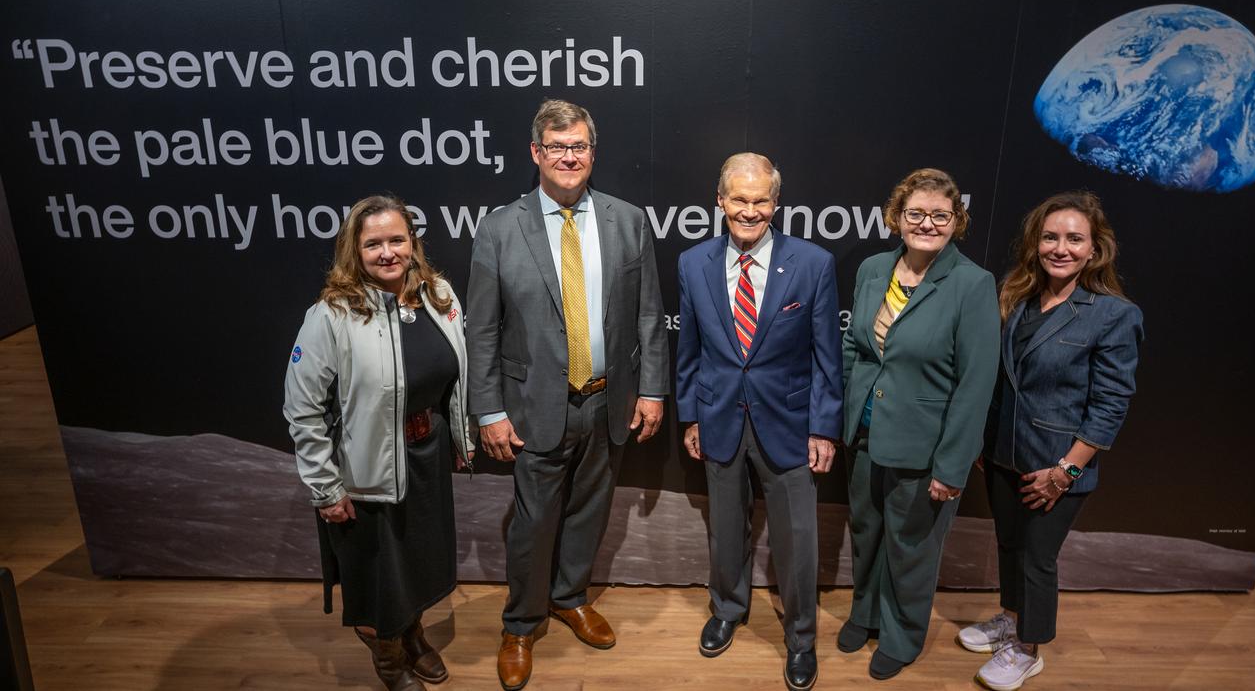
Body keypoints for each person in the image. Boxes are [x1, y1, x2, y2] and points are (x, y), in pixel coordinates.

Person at [466, 99, 669, 691]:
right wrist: (490, 409)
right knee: (532, 523)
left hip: (609, 401)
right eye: (556, 147)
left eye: (578, 146)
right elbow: (481, 328)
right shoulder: (500, 228)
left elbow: (650, 316)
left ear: (592, 153)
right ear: (536, 154)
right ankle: (521, 623)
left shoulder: (628, 220)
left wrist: (652, 390)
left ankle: (569, 596)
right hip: (533, 408)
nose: (568, 157)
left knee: (590, 509)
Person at [283, 195, 475, 690]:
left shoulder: (440, 295)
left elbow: (455, 377)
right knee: (374, 583)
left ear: (413, 242)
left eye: (396, 240)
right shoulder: (331, 315)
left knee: (416, 567)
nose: (387, 252)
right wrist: (325, 488)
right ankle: (390, 663)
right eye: (373, 244)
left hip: (425, 458)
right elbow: (302, 409)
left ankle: (411, 637)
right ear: (355, 249)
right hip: (365, 471)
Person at [958, 191, 1143, 691]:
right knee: (1010, 544)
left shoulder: (1113, 315)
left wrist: (1067, 472)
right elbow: (999, 378)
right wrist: (983, 441)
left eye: (1074, 239)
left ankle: (1028, 646)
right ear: (1035, 242)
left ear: (1094, 248)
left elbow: (1111, 406)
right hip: (1002, 454)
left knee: (1038, 557)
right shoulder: (1015, 295)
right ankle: (1011, 617)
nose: (1060, 248)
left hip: (1056, 465)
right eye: (1050, 237)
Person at [676, 153, 842, 691]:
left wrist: (823, 427)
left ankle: (800, 639)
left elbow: (827, 357)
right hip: (719, 414)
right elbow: (690, 349)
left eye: (760, 201)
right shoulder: (693, 262)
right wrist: (691, 415)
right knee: (725, 529)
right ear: (719, 200)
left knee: (797, 539)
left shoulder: (813, 263)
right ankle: (727, 609)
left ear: (776, 203)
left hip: (791, 422)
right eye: (739, 200)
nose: (750, 211)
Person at [839, 168, 1000, 680]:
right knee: (867, 532)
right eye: (915, 213)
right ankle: (864, 614)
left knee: (912, 548)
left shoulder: (972, 284)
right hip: (865, 434)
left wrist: (951, 466)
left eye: (939, 215)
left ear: (956, 221)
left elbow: (976, 384)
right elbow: (855, 347)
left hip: (925, 446)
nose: (926, 223)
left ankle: (902, 636)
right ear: (896, 217)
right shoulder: (872, 269)